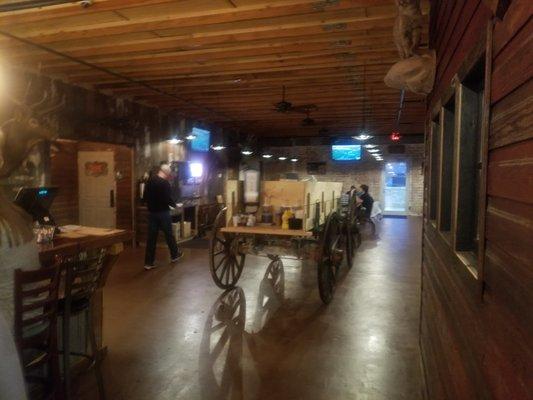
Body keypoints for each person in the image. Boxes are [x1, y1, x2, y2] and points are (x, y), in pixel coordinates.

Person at [143, 163, 183, 270]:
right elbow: (167, 199)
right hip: (163, 213)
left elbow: (144, 196)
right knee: (169, 235)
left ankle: (148, 263)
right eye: (168, 174)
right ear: (166, 173)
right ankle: (174, 255)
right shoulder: (165, 183)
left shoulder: (150, 181)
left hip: (152, 213)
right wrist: (175, 205)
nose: (169, 176)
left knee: (151, 238)